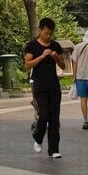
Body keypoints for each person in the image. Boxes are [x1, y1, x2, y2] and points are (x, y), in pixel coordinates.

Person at [24, 17, 65, 158]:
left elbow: (63, 65)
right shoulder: (32, 46)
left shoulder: (55, 45)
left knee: (54, 117)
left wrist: (56, 58)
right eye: (46, 33)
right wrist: (42, 56)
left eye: (50, 34)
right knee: (44, 114)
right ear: (40, 30)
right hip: (39, 84)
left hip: (53, 84)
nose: (48, 36)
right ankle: (37, 136)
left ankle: (54, 149)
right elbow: (27, 65)